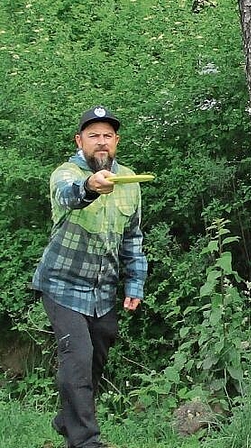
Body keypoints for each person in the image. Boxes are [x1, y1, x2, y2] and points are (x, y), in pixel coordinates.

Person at [32, 106, 148, 448]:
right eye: (94, 135)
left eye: (107, 136)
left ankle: (67, 418)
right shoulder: (65, 174)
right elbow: (69, 194)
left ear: (116, 142)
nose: (101, 142)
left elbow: (134, 238)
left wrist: (134, 283)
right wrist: (91, 186)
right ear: (79, 140)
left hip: (103, 291)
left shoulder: (129, 182)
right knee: (77, 356)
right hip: (61, 284)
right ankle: (86, 441)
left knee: (94, 360)